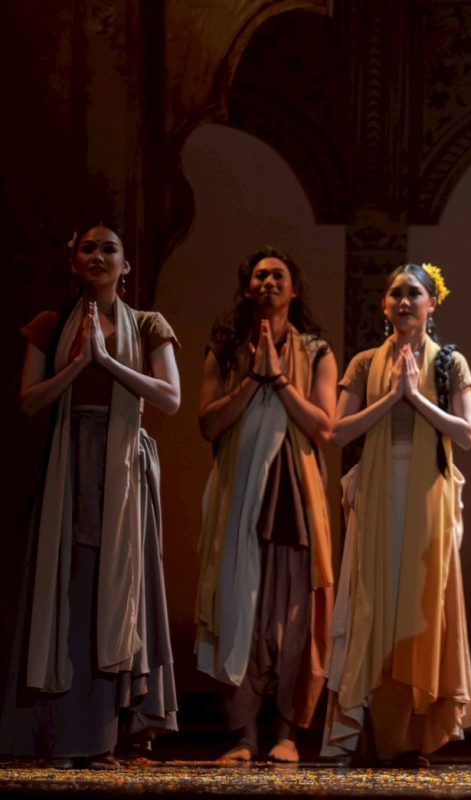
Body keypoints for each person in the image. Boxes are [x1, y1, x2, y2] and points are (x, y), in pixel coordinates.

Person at [5, 223, 180, 767]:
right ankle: (62, 733)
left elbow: (171, 398)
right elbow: (29, 401)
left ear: (125, 266)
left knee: (120, 588)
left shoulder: (148, 324)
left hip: (123, 463)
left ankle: (115, 729)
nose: (98, 256)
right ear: (73, 261)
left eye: (110, 249)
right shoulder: (51, 325)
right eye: (88, 248)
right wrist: (80, 364)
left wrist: (109, 363)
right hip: (69, 459)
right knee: (72, 585)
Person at [322, 263, 471, 766]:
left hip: (429, 494)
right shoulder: (365, 362)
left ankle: (413, 737)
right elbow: (338, 431)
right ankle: (376, 733)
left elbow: (468, 434)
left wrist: (416, 399)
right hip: (376, 491)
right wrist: (393, 397)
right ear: (384, 306)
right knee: (374, 604)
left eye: (414, 293)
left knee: (419, 605)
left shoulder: (450, 363)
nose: (405, 301)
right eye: (396, 294)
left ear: (433, 303)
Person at [194, 248, 337, 762]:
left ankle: (287, 735)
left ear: (293, 290)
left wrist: (278, 378)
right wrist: (252, 377)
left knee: (293, 621)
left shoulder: (317, 351)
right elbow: (208, 423)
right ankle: (245, 736)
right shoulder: (227, 349)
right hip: (238, 501)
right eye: (259, 275)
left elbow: (324, 427)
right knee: (241, 615)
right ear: (247, 288)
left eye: (279, 276)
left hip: (293, 498)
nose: (269, 282)